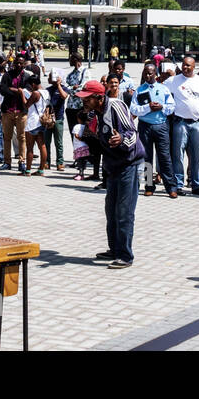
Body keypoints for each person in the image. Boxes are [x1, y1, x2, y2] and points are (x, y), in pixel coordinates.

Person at [80, 79, 143, 269]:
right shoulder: (95, 113)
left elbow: (132, 132)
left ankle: (125, 255)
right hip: (113, 166)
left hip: (128, 164)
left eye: (87, 98)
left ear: (99, 98)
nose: (84, 101)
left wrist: (121, 138)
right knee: (111, 209)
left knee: (124, 211)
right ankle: (114, 249)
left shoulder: (116, 106)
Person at [164, 56, 199, 196]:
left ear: (194, 67)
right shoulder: (174, 80)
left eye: (188, 66)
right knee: (178, 155)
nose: (185, 68)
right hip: (180, 123)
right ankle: (178, 184)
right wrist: (165, 74)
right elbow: (159, 84)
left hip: (197, 123)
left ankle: (196, 185)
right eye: (184, 65)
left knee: (196, 156)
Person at [130, 62, 175, 197]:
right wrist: (148, 107)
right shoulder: (139, 90)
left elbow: (172, 106)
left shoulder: (163, 89)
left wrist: (162, 107)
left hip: (161, 126)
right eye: (145, 73)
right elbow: (133, 109)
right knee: (147, 157)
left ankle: (171, 186)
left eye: (150, 73)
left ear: (156, 74)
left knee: (164, 157)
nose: (148, 75)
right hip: (145, 127)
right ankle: (149, 185)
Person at [0, 60, 28, 172]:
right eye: (17, 63)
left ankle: (22, 162)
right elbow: (3, 90)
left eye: (21, 63)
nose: (19, 65)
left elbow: (27, 92)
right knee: (7, 137)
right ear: (13, 64)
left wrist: (14, 90)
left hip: (21, 111)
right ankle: (7, 162)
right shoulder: (7, 75)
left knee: (22, 137)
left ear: (24, 64)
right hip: (8, 111)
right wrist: (17, 91)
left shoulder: (26, 76)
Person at [22, 72, 49, 176]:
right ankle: (41, 170)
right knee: (42, 146)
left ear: (33, 84)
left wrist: (21, 94)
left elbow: (26, 105)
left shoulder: (35, 93)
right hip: (42, 121)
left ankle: (28, 170)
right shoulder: (46, 92)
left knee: (29, 147)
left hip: (33, 122)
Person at [45, 70, 68, 171]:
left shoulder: (63, 88)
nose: (51, 78)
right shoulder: (47, 90)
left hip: (58, 119)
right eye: (50, 77)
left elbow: (64, 96)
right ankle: (46, 162)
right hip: (48, 120)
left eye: (53, 76)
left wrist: (58, 85)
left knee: (58, 142)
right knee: (46, 142)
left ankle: (60, 162)